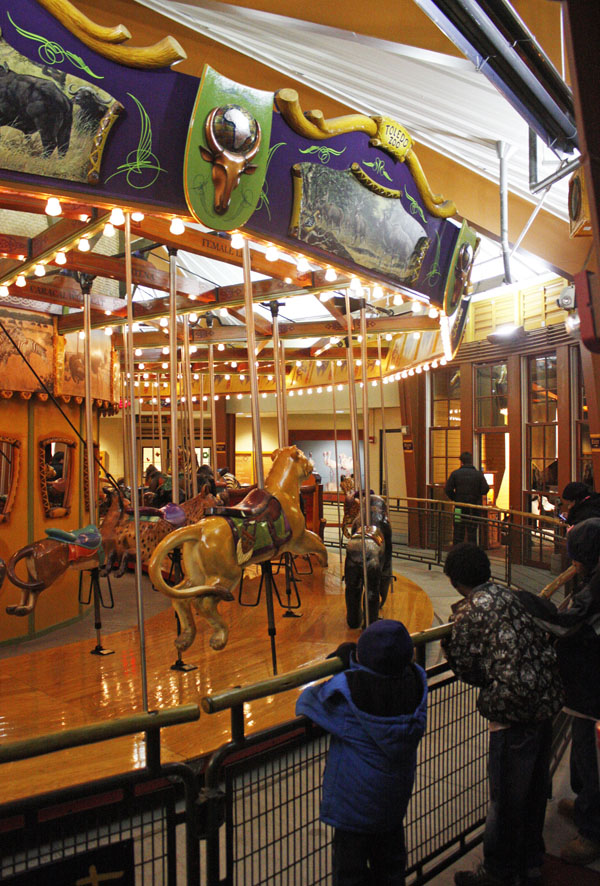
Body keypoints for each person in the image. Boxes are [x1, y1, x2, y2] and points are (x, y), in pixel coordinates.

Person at [442, 543, 564, 886]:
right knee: (535, 792)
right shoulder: (512, 595)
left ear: (455, 581)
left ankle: (498, 871)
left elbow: (466, 668)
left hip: (513, 713)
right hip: (544, 702)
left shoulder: (468, 613)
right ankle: (530, 863)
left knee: (506, 800)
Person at [296, 619, 427, 886]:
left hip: (354, 811)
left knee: (350, 874)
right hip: (392, 804)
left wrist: (346, 664)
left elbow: (307, 702)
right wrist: (357, 666)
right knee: (390, 867)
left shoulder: (349, 695)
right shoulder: (416, 683)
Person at [518, 518, 600, 866]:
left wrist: (526, 605)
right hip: (585, 688)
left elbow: (566, 625)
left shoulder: (597, 585)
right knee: (583, 755)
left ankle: (592, 830)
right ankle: (585, 806)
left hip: (592, 691)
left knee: (592, 759)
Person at [444, 452, 489, 545]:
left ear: (461, 462)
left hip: (459, 507)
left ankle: (457, 549)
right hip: (474, 507)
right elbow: (485, 489)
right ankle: (472, 550)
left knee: (458, 529)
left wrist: (455, 498)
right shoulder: (478, 474)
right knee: (472, 531)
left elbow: (448, 489)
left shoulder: (455, 474)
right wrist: (477, 495)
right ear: (471, 461)